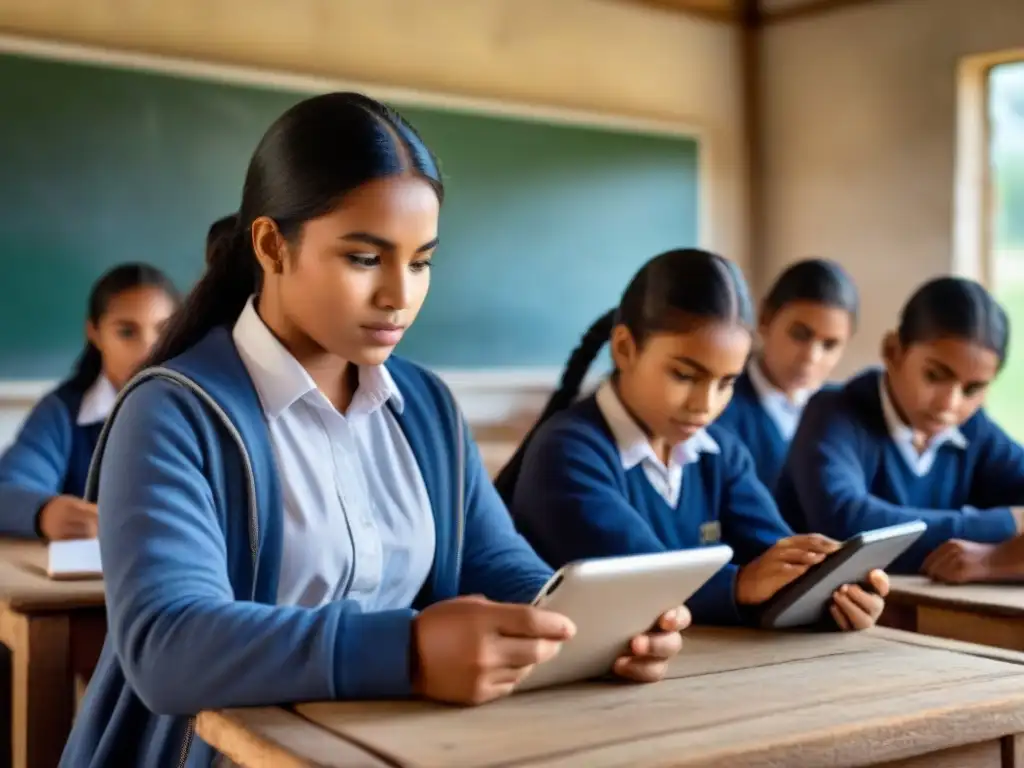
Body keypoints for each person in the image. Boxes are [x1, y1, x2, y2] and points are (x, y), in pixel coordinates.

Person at [61, 93, 689, 768]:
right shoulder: (172, 413)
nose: (401, 295)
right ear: (272, 246)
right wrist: (410, 651)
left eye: (420, 261)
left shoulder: (426, 406)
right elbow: (169, 645)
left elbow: (492, 561)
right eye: (365, 258)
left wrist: (578, 628)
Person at [495, 248, 888, 629]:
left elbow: (776, 550)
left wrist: (827, 588)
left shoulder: (721, 451)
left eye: (727, 382)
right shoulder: (568, 451)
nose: (705, 405)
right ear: (625, 349)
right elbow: (640, 581)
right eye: (684, 376)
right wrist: (741, 583)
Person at [776, 276, 1024, 577]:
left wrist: (993, 560)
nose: (950, 404)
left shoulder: (974, 429)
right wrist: (1008, 524)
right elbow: (848, 528)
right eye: (934, 376)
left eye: (972, 390)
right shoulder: (831, 414)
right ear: (893, 350)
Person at [0, 263, 178, 540]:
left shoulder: (202, 411)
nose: (148, 349)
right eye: (127, 332)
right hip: (88, 580)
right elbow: (6, 490)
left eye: (163, 330)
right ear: (94, 332)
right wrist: (44, 512)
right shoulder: (62, 414)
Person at [716, 258, 858, 490]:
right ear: (765, 319)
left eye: (830, 345)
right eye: (800, 335)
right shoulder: (719, 405)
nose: (811, 357)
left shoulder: (843, 413)